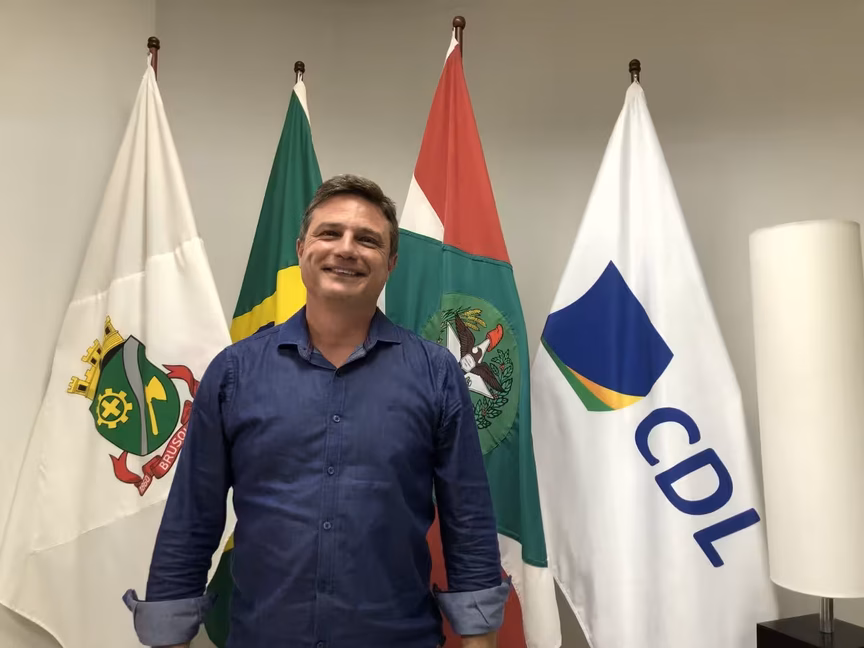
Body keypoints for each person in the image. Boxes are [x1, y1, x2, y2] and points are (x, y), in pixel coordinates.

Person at [123, 174, 509, 648]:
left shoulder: (436, 373)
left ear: (390, 264)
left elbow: (467, 521)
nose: (346, 249)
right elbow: (191, 520)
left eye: (367, 240)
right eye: (330, 233)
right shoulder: (234, 372)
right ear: (301, 248)